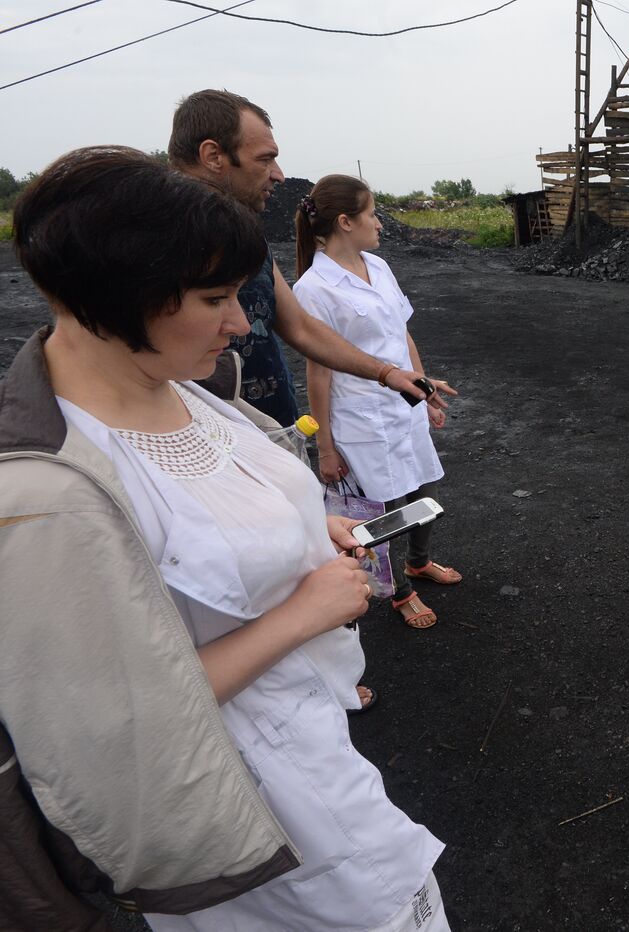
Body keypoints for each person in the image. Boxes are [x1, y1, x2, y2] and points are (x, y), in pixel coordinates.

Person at [0, 146, 449, 931]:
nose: (242, 325)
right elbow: (114, 725)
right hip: (247, 815)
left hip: (313, 750)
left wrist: (317, 527)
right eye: (214, 299)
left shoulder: (192, 394)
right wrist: (302, 613)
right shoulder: (45, 499)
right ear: (117, 295)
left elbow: (226, 514)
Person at [168, 89, 445, 426]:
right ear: (213, 156)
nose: (279, 174)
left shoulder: (249, 238)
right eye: (265, 158)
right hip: (202, 444)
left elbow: (299, 327)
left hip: (269, 430)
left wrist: (387, 373)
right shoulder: (154, 242)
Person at [293, 175, 462, 629]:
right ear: (346, 222)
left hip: (402, 409)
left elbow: (401, 332)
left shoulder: (379, 267)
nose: (380, 223)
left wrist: (423, 393)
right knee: (381, 513)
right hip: (361, 420)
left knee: (425, 489)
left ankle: (419, 562)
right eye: (372, 214)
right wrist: (325, 448)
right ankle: (398, 592)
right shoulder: (314, 288)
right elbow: (319, 370)